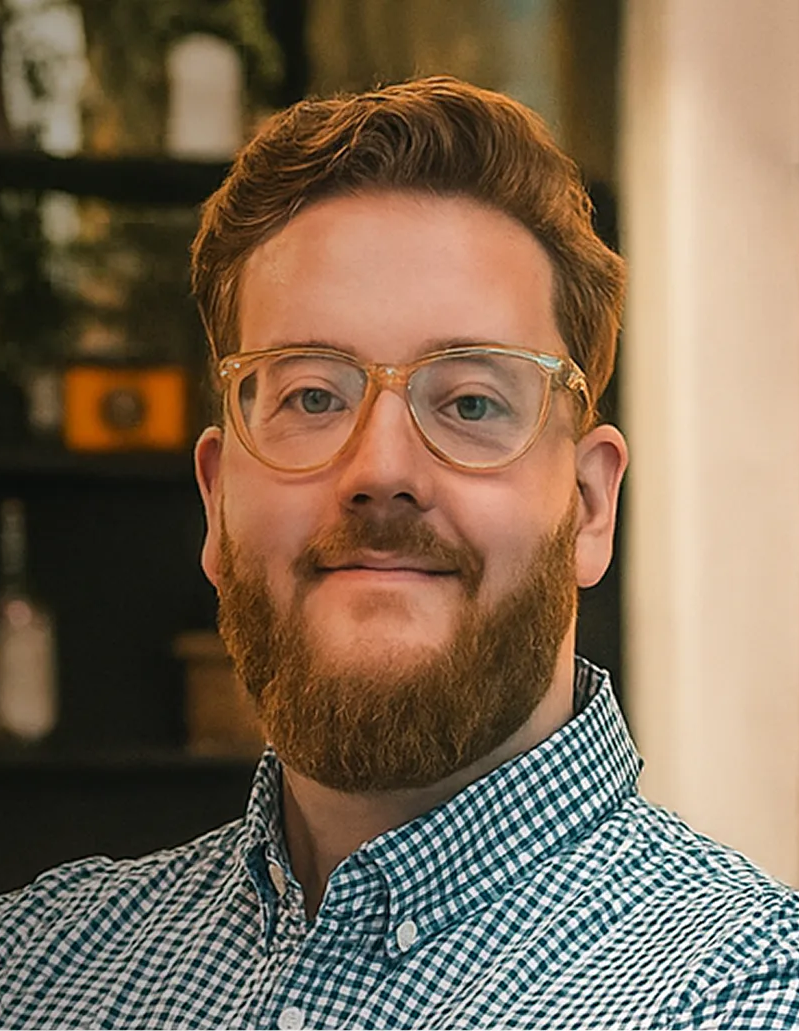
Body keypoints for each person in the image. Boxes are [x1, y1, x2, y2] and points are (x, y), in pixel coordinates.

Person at [2, 76, 798, 1031]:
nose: (380, 469)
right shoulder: (40, 966)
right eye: (309, 395)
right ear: (216, 500)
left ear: (587, 504)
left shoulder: (746, 996)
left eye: (469, 402)